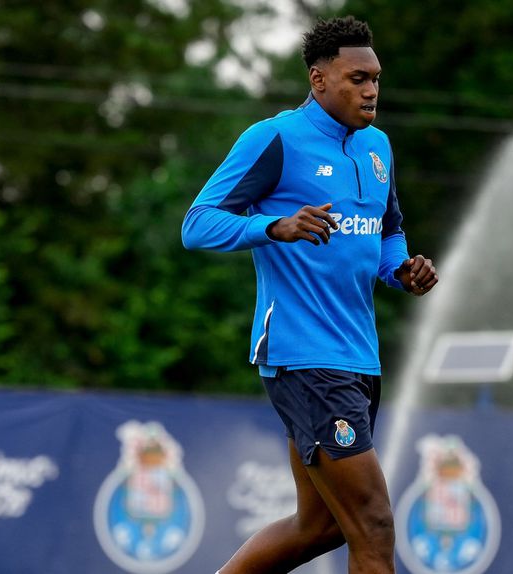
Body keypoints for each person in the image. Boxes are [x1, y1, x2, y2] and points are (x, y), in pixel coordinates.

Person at [181, 15, 438, 574]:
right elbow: (196, 224)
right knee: (374, 523)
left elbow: (387, 233)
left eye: (375, 78)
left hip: (358, 357)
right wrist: (272, 227)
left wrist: (403, 272)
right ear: (318, 80)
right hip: (303, 358)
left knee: (319, 526)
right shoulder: (274, 138)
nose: (370, 90)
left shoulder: (378, 147)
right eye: (356, 79)